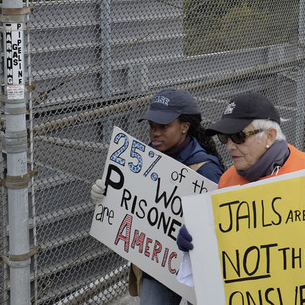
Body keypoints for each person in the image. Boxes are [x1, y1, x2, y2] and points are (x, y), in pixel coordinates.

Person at [176, 92, 305, 293]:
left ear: (269, 136)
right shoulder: (227, 181)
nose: (229, 146)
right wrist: (197, 245)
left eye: (238, 136)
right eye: (224, 137)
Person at [90, 88, 225, 305]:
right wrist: (105, 195)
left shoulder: (206, 171)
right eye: (152, 125)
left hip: (197, 270)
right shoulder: (139, 159)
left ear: (184, 127)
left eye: (163, 126)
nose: (155, 132)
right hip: (158, 266)